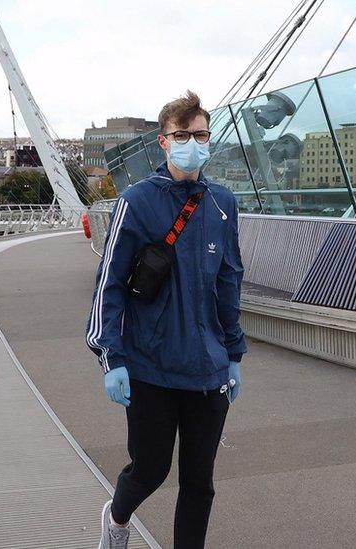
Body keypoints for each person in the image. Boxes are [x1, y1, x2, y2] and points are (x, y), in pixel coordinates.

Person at [85, 91, 246, 549]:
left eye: (200, 135)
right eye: (182, 135)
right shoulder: (137, 202)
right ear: (163, 141)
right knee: (151, 470)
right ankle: (117, 519)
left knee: (200, 484)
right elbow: (109, 282)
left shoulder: (222, 204)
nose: (192, 143)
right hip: (150, 365)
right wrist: (110, 354)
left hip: (207, 368)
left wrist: (233, 353)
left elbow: (229, 280)